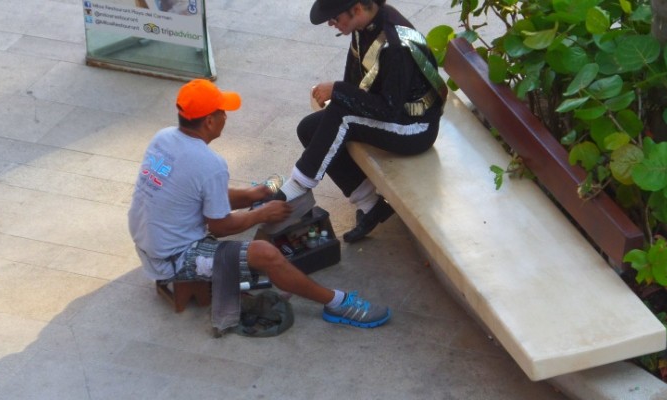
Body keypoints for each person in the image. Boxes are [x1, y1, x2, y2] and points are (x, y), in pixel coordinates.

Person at [127, 79, 391, 332]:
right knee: (266, 254)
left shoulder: (164, 138)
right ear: (209, 121)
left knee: (257, 219)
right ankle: (337, 303)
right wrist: (261, 214)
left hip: (147, 241)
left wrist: (252, 196)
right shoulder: (210, 164)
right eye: (222, 113)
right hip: (173, 258)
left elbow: (195, 193)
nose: (226, 118)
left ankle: (275, 262)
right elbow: (219, 226)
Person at [270, 0, 447, 243]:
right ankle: (370, 204)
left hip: (415, 128)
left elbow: (388, 111)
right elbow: (354, 82)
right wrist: (340, 93)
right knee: (310, 128)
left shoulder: (395, 46)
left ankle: (296, 188)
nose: (331, 23)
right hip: (393, 115)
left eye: (334, 18)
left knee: (342, 117)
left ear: (357, 9)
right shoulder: (363, 28)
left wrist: (338, 91)